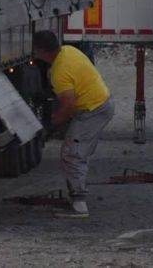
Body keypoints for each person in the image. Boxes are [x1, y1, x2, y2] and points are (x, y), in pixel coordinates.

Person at [32, 30, 114, 219]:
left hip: (93, 110)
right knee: (77, 150)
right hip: (100, 103)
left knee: (72, 154)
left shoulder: (59, 72)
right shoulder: (68, 51)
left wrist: (50, 126)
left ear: (41, 51)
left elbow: (68, 106)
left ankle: (79, 205)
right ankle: (76, 198)